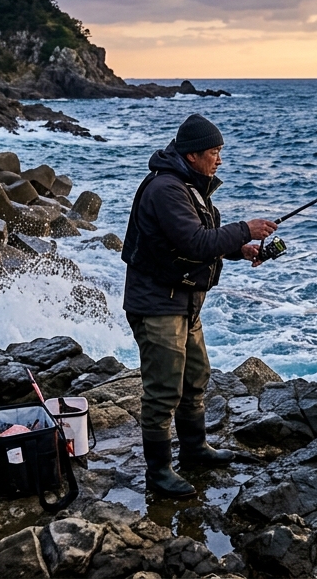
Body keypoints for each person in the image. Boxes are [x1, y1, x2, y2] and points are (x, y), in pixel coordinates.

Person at [121, 114, 278, 497]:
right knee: (163, 391)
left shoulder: (190, 186)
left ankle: (194, 450)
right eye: (214, 152)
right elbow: (193, 243)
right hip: (157, 305)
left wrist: (240, 250)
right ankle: (158, 473)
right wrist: (246, 229)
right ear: (192, 155)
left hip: (183, 303)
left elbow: (202, 240)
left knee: (195, 379)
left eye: (220, 151)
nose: (219, 160)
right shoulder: (166, 190)